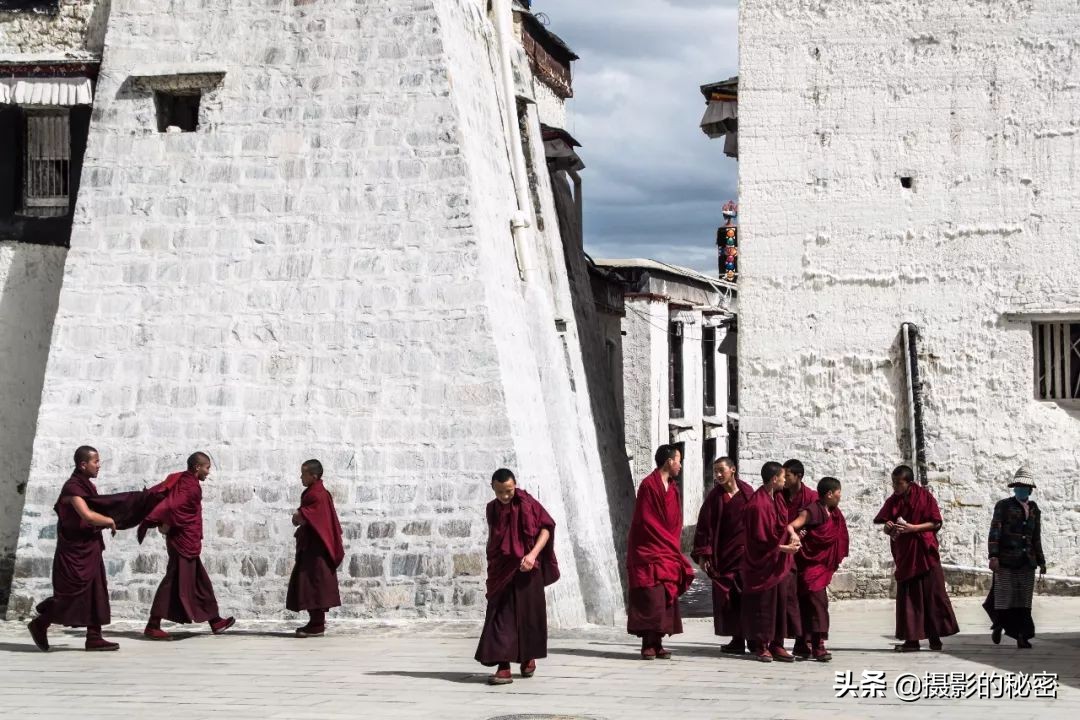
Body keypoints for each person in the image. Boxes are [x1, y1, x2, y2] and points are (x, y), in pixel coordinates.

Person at [28, 446, 162, 652]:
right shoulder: (72, 488)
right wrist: (109, 521)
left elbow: (99, 508)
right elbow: (87, 515)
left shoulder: (87, 486)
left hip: (89, 547)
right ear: (83, 464)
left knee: (95, 591)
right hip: (74, 552)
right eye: (95, 462)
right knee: (71, 595)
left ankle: (94, 637)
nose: (99, 466)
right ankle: (41, 623)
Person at [475, 468, 559, 686]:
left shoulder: (527, 503)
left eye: (509, 491)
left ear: (515, 485)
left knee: (528, 616)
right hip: (502, 570)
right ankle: (503, 667)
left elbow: (546, 529)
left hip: (528, 569)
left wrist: (532, 555)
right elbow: (497, 539)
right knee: (499, 617)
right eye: (500, 492)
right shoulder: (491, 509)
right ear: (493, 488)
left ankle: (527, 657)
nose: (505, 496)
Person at [139, 452, 236, 639]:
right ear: (197, 467)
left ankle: (215, 621)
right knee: (172, 581)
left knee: (200, 581)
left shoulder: (183, 480)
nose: (208, 472)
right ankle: (153, 625)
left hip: (187, 540)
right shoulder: (189, 486)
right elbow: (173, 506)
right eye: (207, 468)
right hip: (182, 541)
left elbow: (174, 505)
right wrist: (162, 521)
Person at [873, 465, 959, 651]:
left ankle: (935, 638)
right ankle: (912, 640)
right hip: (905, 554)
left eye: (899, 483)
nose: (895, 487)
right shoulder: (893, 500)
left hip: (925, 552)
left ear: (909, 483)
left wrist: (914, 528)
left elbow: (935, 522)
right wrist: (888, 527)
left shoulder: (925, 497)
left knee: (933, 595)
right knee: (910, 598)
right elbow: (886, 525)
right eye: (893, 483)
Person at [626, 445, 696, 660]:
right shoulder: (648, 485)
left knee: (665, 593)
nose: (680, 466)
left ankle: (658, 642)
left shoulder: (673, 488)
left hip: (666, 549)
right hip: (648, 549)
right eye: (678, 460)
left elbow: (676, 520)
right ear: (668, 461)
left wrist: (673, 543)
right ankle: (647, 643)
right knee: (650, 595)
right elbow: (646, 519)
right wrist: (667, 542)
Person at [691, 457, 755, 654]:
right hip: (724, 555)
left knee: (748, 597)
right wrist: (704, 555)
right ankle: (737, 639)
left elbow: (757, 520)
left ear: (733, 470)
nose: (718, 475)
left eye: (721, 470)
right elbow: (704, 526)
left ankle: (753, 639)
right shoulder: (714, 497)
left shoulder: (747, 493)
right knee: (729, 598)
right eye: (715, 472)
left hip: (746, 556)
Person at [740, 461, 801, 662]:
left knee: (780, 604)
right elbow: (759, 541)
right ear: (774, 479)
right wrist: (784, 548)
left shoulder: (777, 499)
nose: (785, 481)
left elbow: (782, 526)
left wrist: (792, 534)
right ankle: (761, 645)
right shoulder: (758, 504)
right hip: (763, 564)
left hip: (778, 563)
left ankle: (777, 644)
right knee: (763, 606)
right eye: (783, 477)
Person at [785, 476, 849, 661]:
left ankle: (802, 644)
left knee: (811, 605)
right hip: (809, 565)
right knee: (817, 604)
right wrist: (796, 536)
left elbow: (839, 535)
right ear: (829, 494)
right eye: (838, 493)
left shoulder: (834, 513)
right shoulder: (811, 510)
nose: (840, 496)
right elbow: (791, 526)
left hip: (821, 565)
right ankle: (818, 645)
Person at [983, 466, 1045, 649]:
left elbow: (1036, 536)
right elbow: (995, 530)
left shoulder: (1034, 509)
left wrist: (1041, 560)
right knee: (1005, 597)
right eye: (1018, 486)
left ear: (1030, 490)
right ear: (1014, 488)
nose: (1021, 490)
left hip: (1027, 561)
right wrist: (993, 555)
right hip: (1006, 560)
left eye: (1025, 487)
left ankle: (1022, 636)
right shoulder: (1003, 506)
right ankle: (1000, 624)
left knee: (1024, 600)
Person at [287, 459, 345, 637]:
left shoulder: (317, 494)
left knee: (314, 584)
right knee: (312, 583)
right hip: (314, 546)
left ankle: (317, 624)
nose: (301, 477)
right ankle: (315, 622)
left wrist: (298, 516)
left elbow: (307, 516)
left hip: (317, 548)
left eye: (303, 474)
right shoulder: (317, 491)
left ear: (314, 475)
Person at [781, 459, 817, 656]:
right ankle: (797, 638)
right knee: (790, 597)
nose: (784, 480)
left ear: (799, 476)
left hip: (807, 554)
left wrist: (806, 532)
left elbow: (820, 520)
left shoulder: (811, 497)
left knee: (807, 597)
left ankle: (807, 640)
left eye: (787, 476)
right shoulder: (780, 495)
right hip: (787, 552)